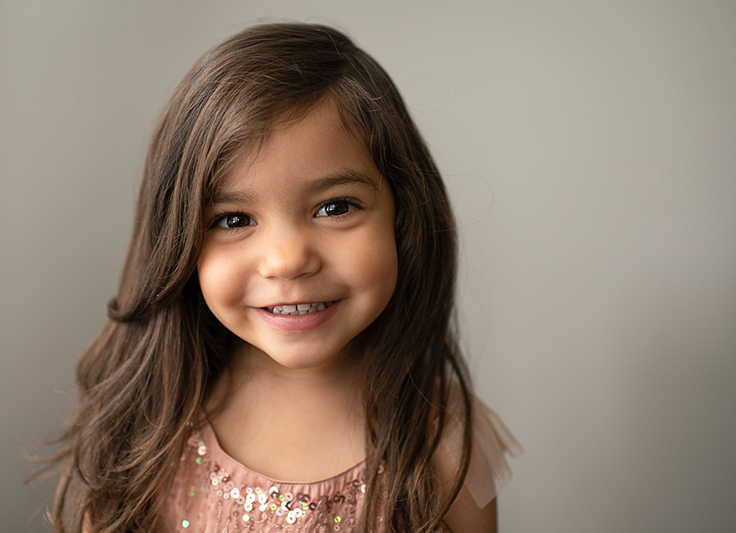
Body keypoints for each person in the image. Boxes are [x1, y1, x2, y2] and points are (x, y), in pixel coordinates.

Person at [43, 23, 521, 533]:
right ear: (178, 240)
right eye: (234, 219)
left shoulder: (443, 440)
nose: (287, 260)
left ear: (403, 215)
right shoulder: (144, 428)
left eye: (335, 207)